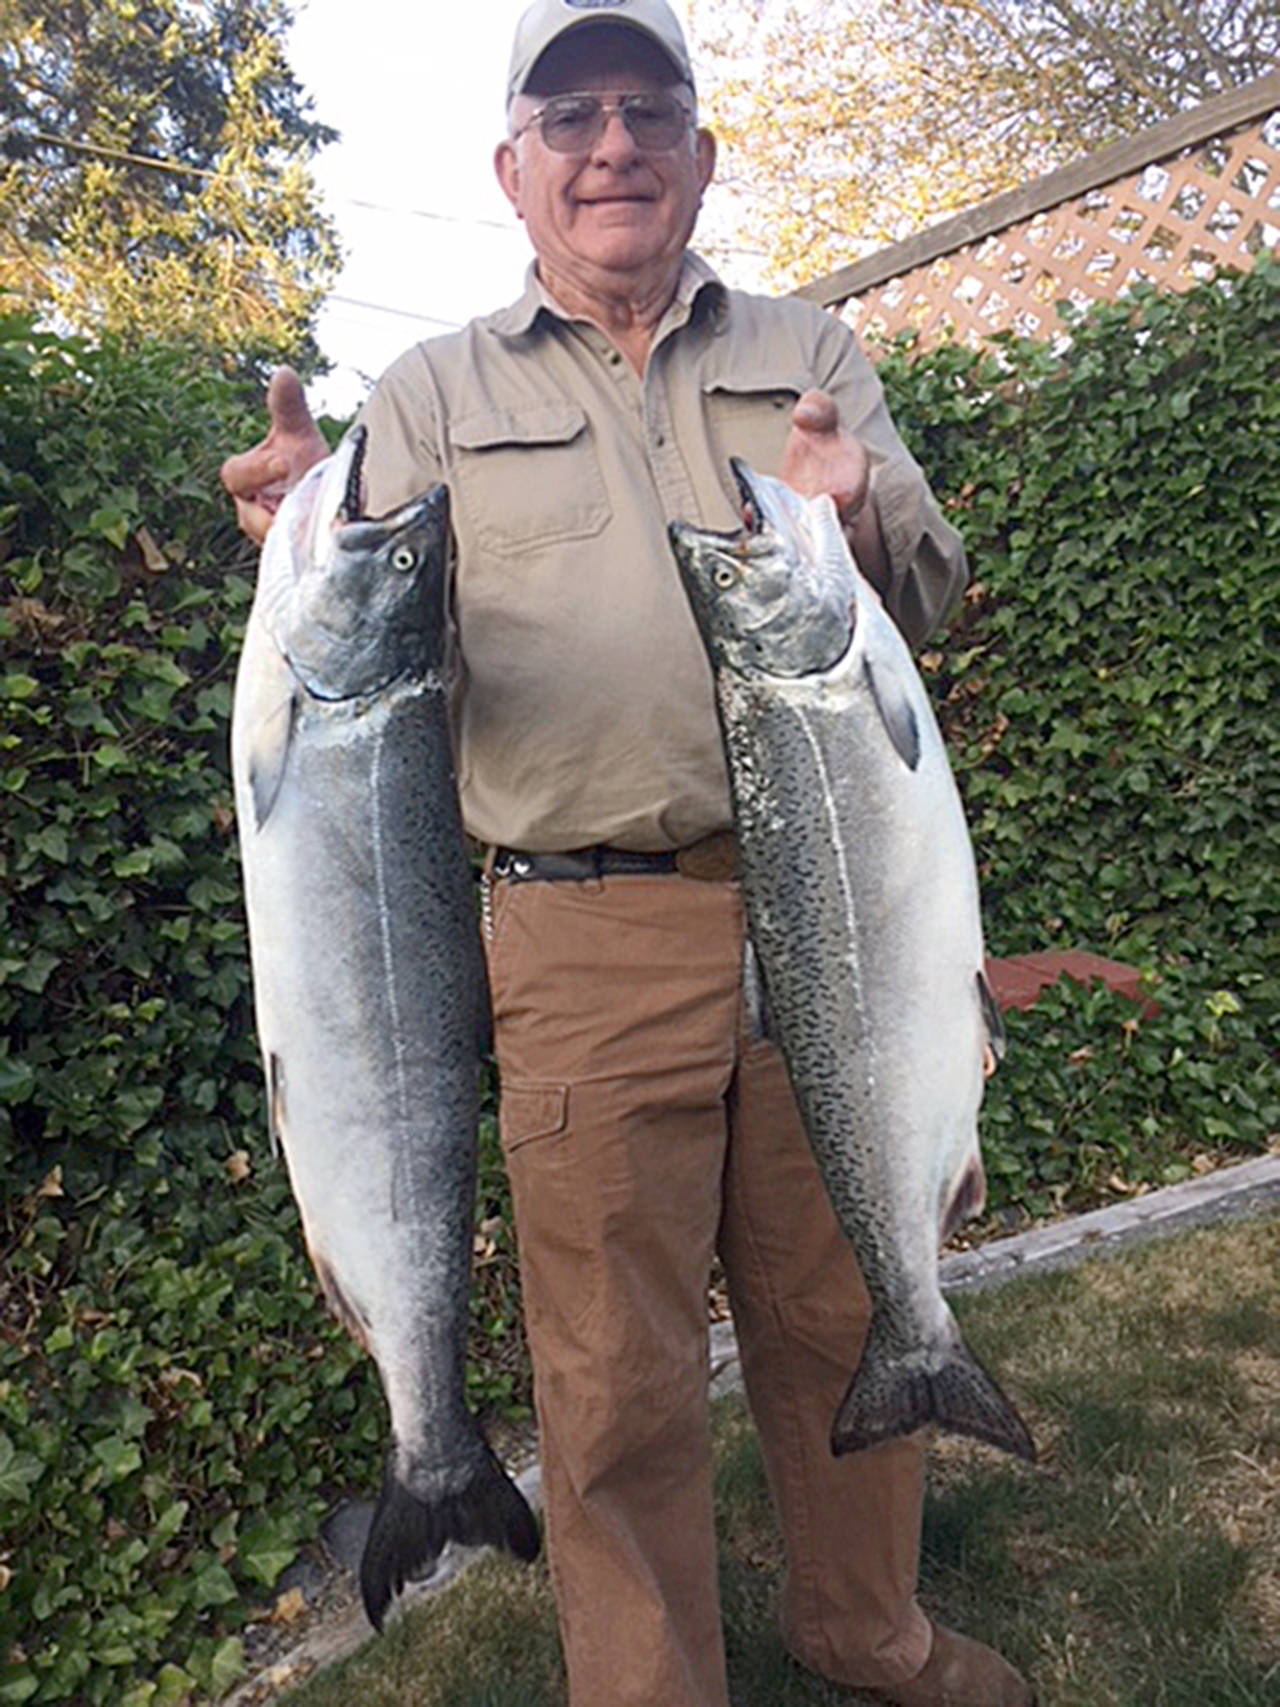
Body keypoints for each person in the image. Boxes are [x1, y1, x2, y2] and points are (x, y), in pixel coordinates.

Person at [221, 4, 1034, 1704]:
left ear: (701, 151)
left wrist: (860, 506)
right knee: (612, 1374)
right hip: (577, 932)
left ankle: (866, 1632)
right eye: (571, 114)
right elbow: (360, 648)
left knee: (842, 1306)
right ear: (510, 166)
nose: (614, 146)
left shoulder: (810, 349)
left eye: (649, 108)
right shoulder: (430, 394)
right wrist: (306, 516)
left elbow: (928, 593)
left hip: (836, 915)